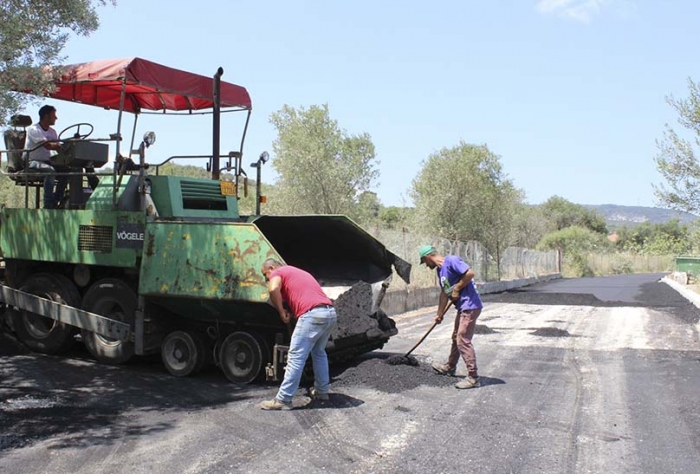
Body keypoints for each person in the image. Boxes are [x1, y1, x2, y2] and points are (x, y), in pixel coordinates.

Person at [259, 259, 338, 410]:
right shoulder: (298, 272)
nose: (266, 279)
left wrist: (281, 312)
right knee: (319, 352)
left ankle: (283, 399)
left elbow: (273, 289)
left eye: (265, 275)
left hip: (312, 315)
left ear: (271, 267)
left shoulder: (278, 272)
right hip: (329, 313)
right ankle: (322, 391)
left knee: (295, 357)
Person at [419, 244, 483, 389]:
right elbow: (444, 293)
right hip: (463, 307)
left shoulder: (452, 260)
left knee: (462, 339)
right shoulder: (440, 271)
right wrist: (439, 314)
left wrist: (458, 287)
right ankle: (450, 367)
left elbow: (470, 273)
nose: (426, 265)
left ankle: (473, 378)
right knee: (456, 337)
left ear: (428, 257)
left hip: (471, 305)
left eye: (424, 262)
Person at [24, 105, 68, 209]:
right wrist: (60, 146)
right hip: (32, 161)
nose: (56, 118)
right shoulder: (34, 129)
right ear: (46, 116)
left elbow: (57, 148)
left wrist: (67, 150)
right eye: (54, 115)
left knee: (67, 171)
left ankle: (56, 200)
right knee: (50, 171)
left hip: (47, 161)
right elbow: (48, 145)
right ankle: (48, 204)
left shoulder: (52, 132)